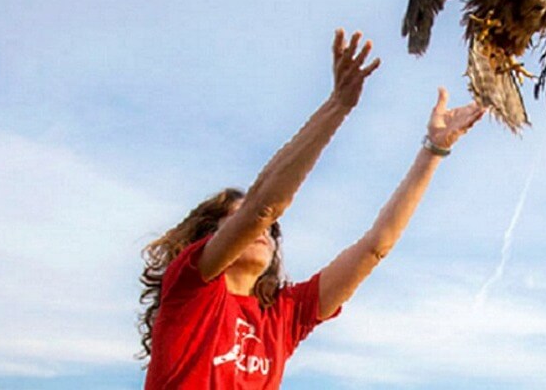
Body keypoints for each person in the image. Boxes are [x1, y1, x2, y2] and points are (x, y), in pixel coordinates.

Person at [138, 28, 485, 388]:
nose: (267, 234)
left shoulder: (285, 314)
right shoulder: (190, 285)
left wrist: (434, 150)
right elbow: (262, 208)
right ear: (211, 236)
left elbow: (374, 247)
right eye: (242, 223)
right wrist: (339, 105)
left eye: (273, 234)